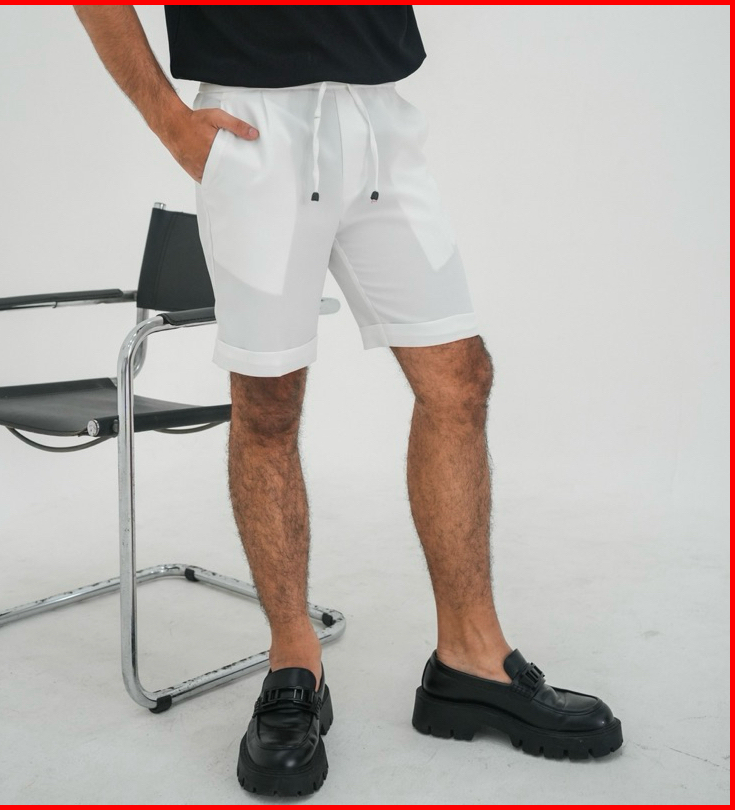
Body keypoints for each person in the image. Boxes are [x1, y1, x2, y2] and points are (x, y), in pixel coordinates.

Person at [73, 5, 623, 797]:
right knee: (268, 405)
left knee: (460, 378)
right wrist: (169, 119)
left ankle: (471, 659)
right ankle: (294, 664)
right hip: (254, 129)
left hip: (377, 118)